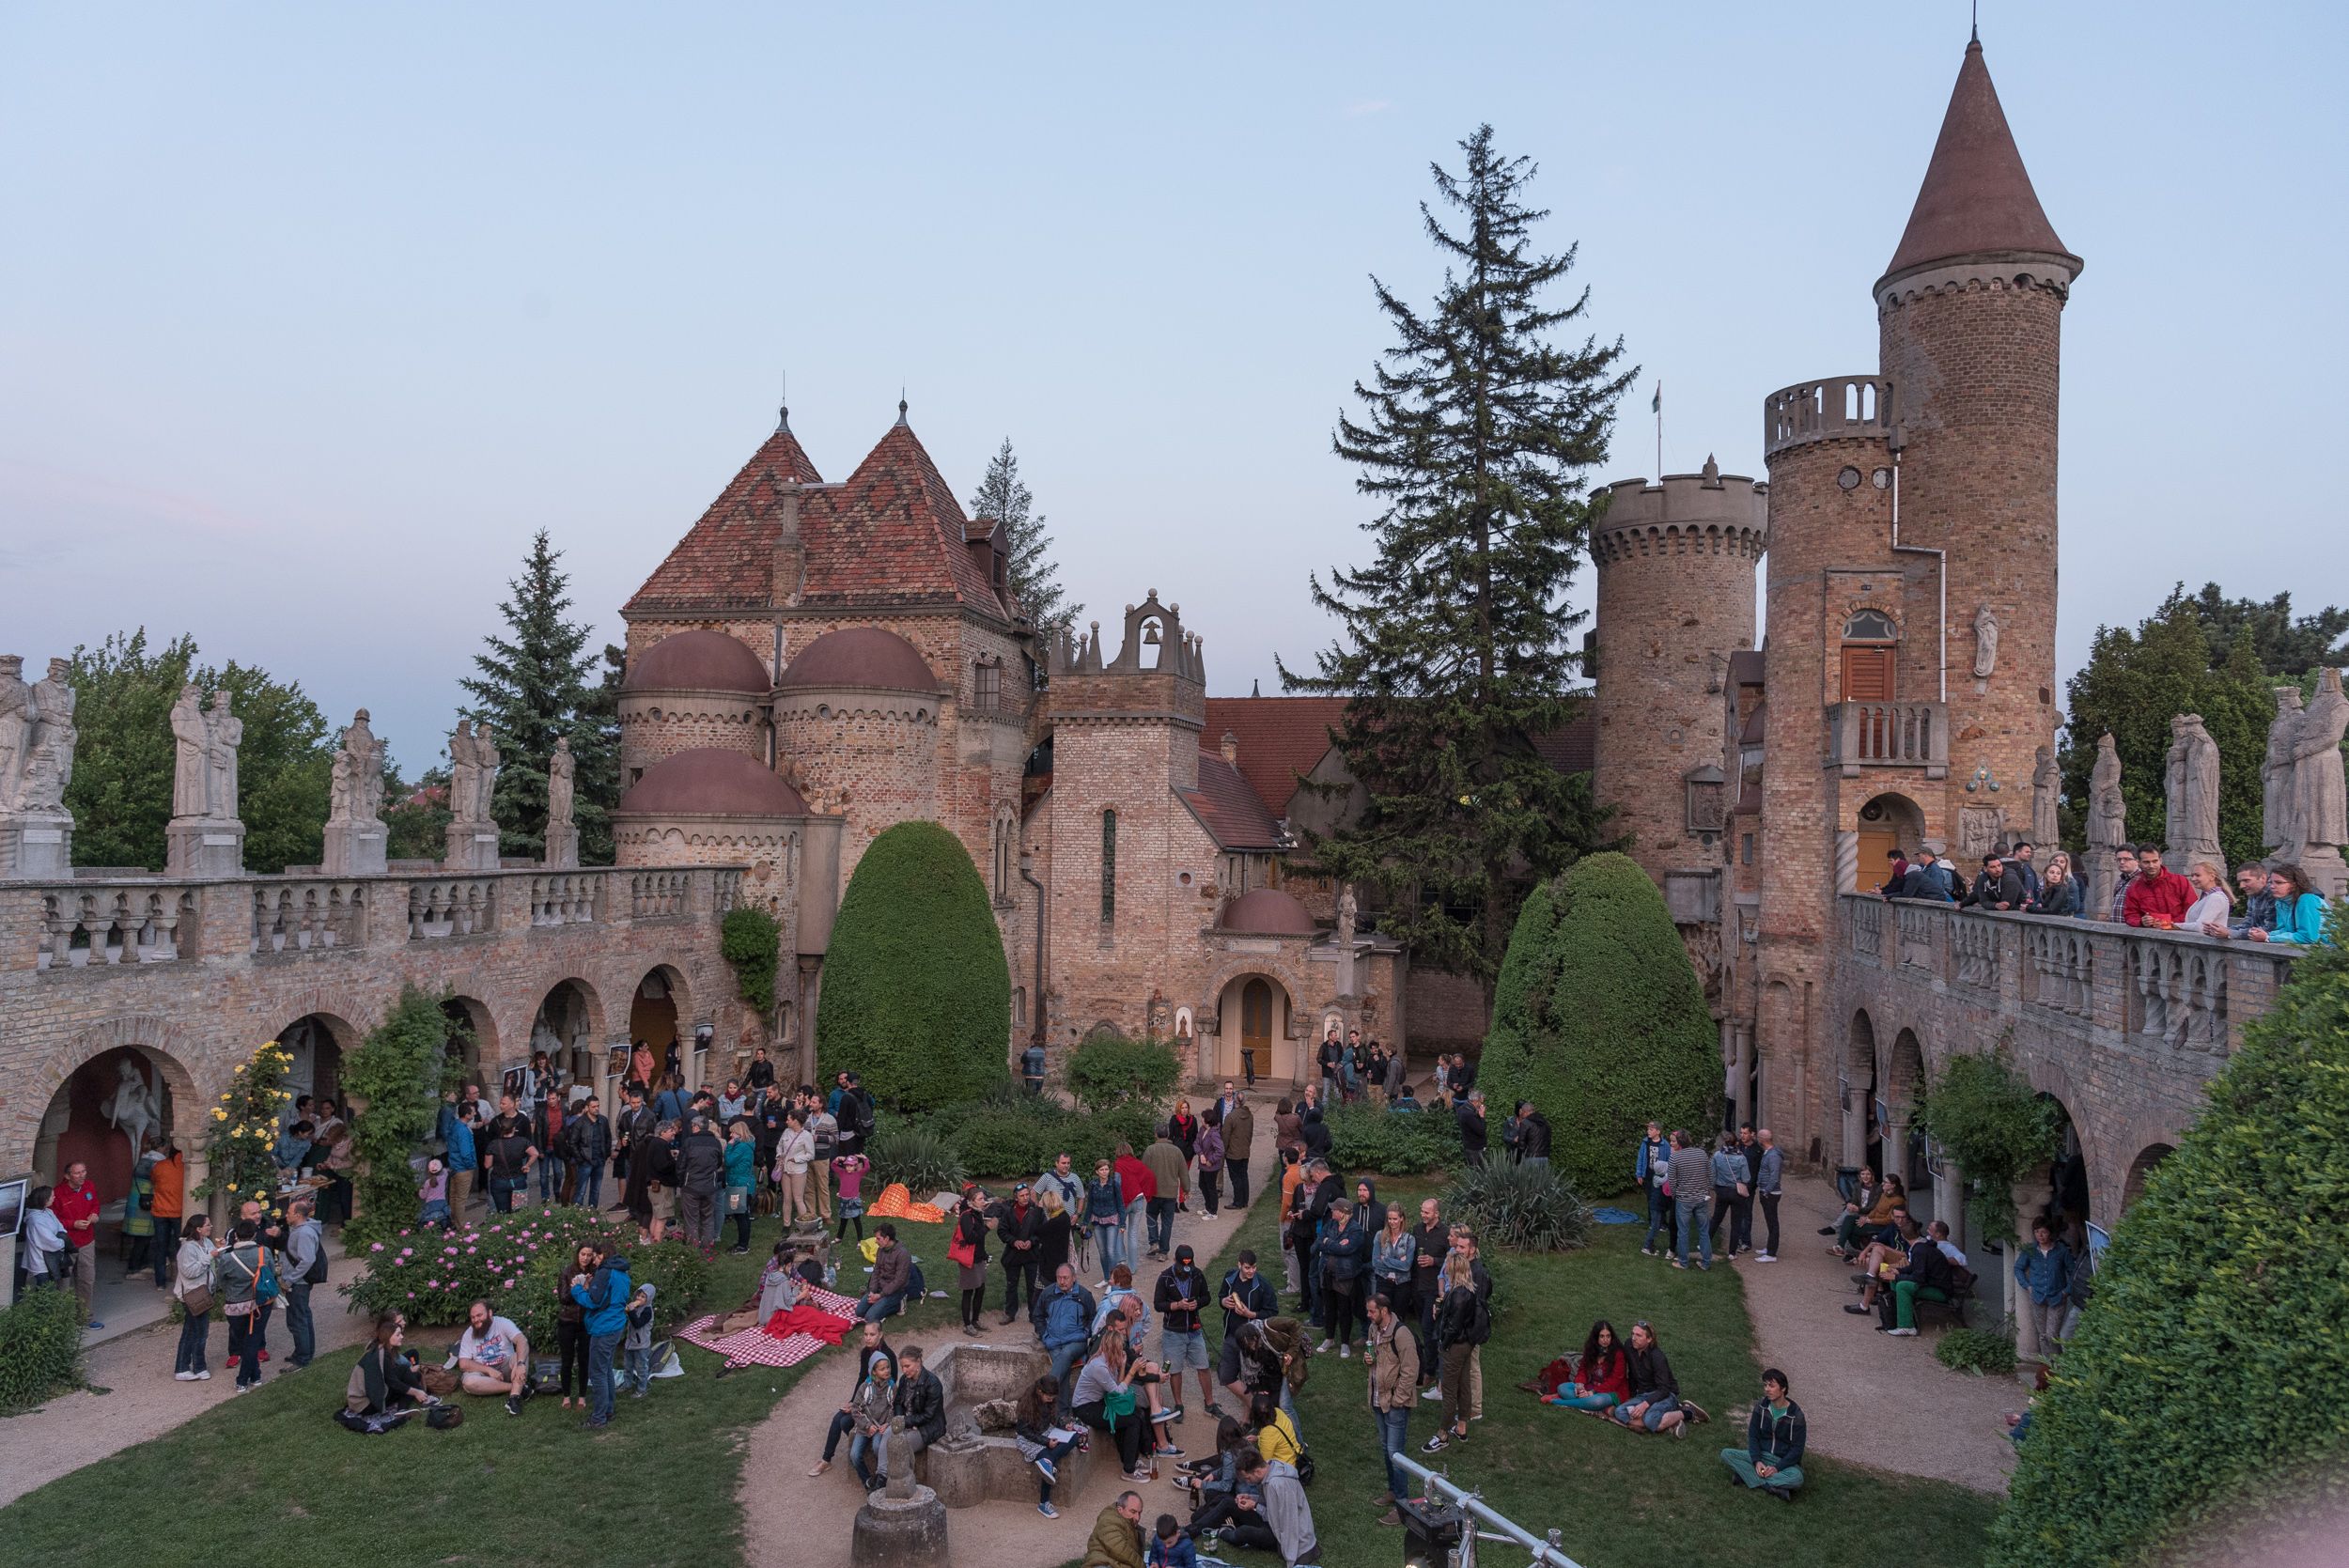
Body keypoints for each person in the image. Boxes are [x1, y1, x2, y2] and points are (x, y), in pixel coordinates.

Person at [810, 1320, 898, 1476]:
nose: (868, 1338)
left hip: (879, 1408)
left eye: (872, 1334)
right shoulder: (865, 1353)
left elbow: (892, 1383)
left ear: (880, 1335)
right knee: (839, 1419)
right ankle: (826, 1460)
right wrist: (853, 1402)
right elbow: (861, 1378)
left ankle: (864, 1445)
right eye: (865, 1334)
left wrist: (864, 1405)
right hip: (865, 1400)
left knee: (846, 1422)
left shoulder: (888, 1355)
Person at [1075, 1327, 1163, 1482]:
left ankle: (1132, 1459)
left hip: (1098, 1402)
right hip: (1085, 1408)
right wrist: (1132, 1371)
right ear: (1113, 1347)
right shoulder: (1099, 1366)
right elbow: (1117, 1392)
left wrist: (1122, 1366)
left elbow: (1117, 1383)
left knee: (1136, 1413)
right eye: (1120, 1347)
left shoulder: (1108, 1360)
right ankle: (1128, 1470)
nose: (1123, 1350)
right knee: (1132, 1421)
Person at [1364, 1291, 1419, 1521]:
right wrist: (1368, 1360)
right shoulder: (1374, 1330)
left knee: (1396, 1454)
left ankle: (1402, 1505)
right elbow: (1378, 1362)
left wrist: (1399, 1399)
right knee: (1387, 1448)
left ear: (1384, 1311)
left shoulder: (1402, 1333)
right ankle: (1393, 1491)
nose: (1369, 1315)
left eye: (1372, 1311)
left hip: (1395, 1402)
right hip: (1378, 1398)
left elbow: (1411, 1369)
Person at [1422, 1251, 1484, 1452]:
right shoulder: (1469, 1290)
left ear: (1453, 1269)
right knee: (1464, 1385)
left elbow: (1453, 1327)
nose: (1445, 1269)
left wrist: (1444, 1344)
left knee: (1449, 1391)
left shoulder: (1457, 1295)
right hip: (1466, 1344)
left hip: (1454, 1346)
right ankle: (1461, 1427)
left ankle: (1442, 1435)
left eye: (1448, 1266)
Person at [1722, 1369, 1806, 1498]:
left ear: (1783, 1388)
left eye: (1771, 1386)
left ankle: (1745, 1476)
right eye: (1765, 1385)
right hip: (1762, 1455)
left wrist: (1777, 1468)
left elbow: (1797, 1450)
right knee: (1727, 1454)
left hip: (1783, 1461)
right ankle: (1771, 1487)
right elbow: (1753, 1436)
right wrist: (1757, 1461)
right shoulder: (1761, 1406)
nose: (1767, 1389)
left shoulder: (1796, 1416)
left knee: (1797, 1478)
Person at [212, 1219, 273, 1391]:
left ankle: (245, 1378)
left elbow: (221, 1281)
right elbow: (270, 1273)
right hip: (261, 1302)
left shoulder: (227, 1258)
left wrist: (232, 1291)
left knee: (245, 1342)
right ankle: (251, 1376)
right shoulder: (264, 1252)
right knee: (252, 1341)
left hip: (235, 1304)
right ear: (254, 1234)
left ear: (236, 1236)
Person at [1156, 1243, 1216, 1417]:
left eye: (1189, 1266)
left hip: (1194, 1331)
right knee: (1175, 1370)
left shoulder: (1197, 1274)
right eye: (1183, 1266)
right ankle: (1178, 1405)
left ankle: (1210, 1404)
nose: (1186, 1270)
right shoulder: (1165, 1278)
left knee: (1204, 1366)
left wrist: (1198, 1303)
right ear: (1175, 1260)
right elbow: (1158, 1304)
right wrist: (1177, 1305)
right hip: (1173, 1332)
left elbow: (1207, 1297)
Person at [1238, 1445, 1320, 1566]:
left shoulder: (1276, 1484)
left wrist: (1255, 1506)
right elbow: (1275, 1506)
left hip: (1300, 1546)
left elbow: (1284, 1523)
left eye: (1248, 1478)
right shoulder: (1272, 1467)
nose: (1248, 1482)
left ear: (1258, 1472)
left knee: (1245, 1532)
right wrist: (1252, 1498)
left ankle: (1223, 1532)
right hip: (1302, 1539)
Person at [1215, 1249, 1279, 1403]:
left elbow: (1272, 1312)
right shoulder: (1230, 1277)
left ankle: (1251, 1411)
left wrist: (1251, 1314)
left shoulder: (1263, 1285)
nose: (1251, 1271)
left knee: (1251, 1380)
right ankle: (1253, 1404)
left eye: (1254, 1267)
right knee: (1225, 1376)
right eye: (1247, 1268)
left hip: (1252, 1342)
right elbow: (1221, 1296)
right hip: (1231, 1336)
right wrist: (1224, 1302)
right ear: (1239, 1265)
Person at [1015, 1372, 1081, 1519]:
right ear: (1040, 1391)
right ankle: (1044, 1503)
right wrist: (1046, 1442)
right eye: (1048, 1397)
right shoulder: (1027, 1403)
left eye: (1053, 1397)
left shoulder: (1050, 1401)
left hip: (1046, 1432)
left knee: (1074, 1437)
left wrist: (1064, 1425)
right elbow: (1023, 1430)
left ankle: (1048, 1463)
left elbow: (1054, 1418)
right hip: (1029, 1438)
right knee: (1047, 1456)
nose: (1051, 1400)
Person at [345, 1313, 433, 1420]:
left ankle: (407, 1407)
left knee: (410, 1374)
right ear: (388, 1336)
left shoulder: (382, 1348)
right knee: (406, 1383)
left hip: (369, 1397)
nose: (402, 1337)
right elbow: (393, 1383)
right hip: (365, 1405)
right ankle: (419, 1401)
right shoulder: (381, 1355)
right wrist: (416, 1392)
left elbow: (392, 1375)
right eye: (398, 1335)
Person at [1875, 1222, 1956, 1336]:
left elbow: (1919, 1278)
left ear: (1903, 1236)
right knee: (1895, 1281)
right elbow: (1914, 1267)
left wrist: (1896, 1276)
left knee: (1902, 1286)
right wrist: (1898, 1271)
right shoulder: (1922, 1246)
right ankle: (1895, 1317)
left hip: (1940, 1291)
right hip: (1932, 1284)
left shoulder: (1919, 1250)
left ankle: (1907, 1326)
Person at [1035, 1262, 1097, 1410]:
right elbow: (1038, 1316)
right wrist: (1045, 1336)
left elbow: (1093, 1319)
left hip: (1076, 1341)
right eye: (1059, 1278)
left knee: (1066, 1354)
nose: (1062, 1281)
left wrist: (1085, 1333)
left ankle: (1044, 1392)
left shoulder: (1084, 1295)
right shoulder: (1048, 1293)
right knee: (1063, 1364)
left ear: (1074, 1278)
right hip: (1053, 1341)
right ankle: (1062, 1413)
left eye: (1065, 1278)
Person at [456, 1296, 534, 1414]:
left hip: (507, 1367)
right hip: (485, 1374)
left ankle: (514, 1398)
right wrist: (489, 1370)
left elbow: (522, 1340)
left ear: (490, 1313)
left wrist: (521, 1364)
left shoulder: (503, 1323)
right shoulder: (468, 1334)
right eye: (473, 1317)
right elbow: (463, 1364)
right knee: (469, 1383)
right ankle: (518, 1388)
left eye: (479, 1315)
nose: (476, 1320)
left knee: (521, 1355)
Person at [1610, 1319, 1687, 1436]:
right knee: (1620, 1411)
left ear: (1649, 1339)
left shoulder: (1657, 1357)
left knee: (1650, 1420)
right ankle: (1667, 1421)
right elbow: (1632, 1373)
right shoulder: (1629, 1346)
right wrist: (1631, 1396)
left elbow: (1664, 1389)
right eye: (1632, 1334)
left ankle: (1687, 1412)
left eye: (1639, 1335)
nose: (1634, 1338)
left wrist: (1645, 1404)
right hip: (1643, 1394)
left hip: (1665, 1395)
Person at [1315, 1198, 1369, 1357]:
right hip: (1327, 1273)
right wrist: (1335, 1244)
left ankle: (1345, 1343)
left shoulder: (1355, 1230)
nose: (1332, 1211)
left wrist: (1329, 1243)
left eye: (1335, 1209)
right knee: (1329, 1308)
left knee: (1345, 1310)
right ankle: (1329, 1338)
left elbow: (1347, 1250)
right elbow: (1319, 1242)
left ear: (1343, 1212)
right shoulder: (1331, 1224)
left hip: (1345, 1277)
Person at [2014, 1218, 2076, 1356]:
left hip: (2057, 1297)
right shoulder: (2030, 1250)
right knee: (2042, 1335)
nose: (2040, 1236)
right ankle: (2048, 1363)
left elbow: (2073, 1272)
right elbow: (2018, 1268)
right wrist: (2027, 1286)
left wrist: (2066, 1291)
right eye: (2037, 1232)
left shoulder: (2061, 1251)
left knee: (2052, 1334)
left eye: (2044, 1232)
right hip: (2038, 1296)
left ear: (2050, 1233)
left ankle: (2057, 1363)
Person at [1543, 1318, 1630, 1414]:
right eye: (1602, 1336)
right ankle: (1598, 1406)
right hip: (1589, 1387)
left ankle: (1557, 1401)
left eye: (1608, 1336)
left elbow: (1615, 1381)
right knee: (1562, 1388)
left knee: (1597, 1401)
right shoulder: (1590, 1350)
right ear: (1596, 1337)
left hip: (1610, 1391)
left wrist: (1592, 1392)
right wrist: (1579, 1386)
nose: (1605, 1340)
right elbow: (1582, 1370)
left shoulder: (1618, 1353)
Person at [53, 1160, 101, 1327]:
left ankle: (85, 1318)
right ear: (67, 1176)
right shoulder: (58, 1193)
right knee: (64, 1284)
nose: (82, 1175)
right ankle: (63, 1322)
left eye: (84, 1171)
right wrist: (73, 1224)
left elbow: (95, 1204)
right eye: (77, 1173)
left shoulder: (89, 1186)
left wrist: (94, 1214)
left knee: (87, 1280)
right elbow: (53, 1220)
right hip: (67, 1243)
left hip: (87, 1241)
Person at [170, 1213, 216, 1380]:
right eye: (207, 1225)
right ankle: (198, 1367)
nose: (210, 1227)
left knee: (191, 1331)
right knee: (199, 1333)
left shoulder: (206, 1242)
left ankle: (182, 1367)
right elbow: (190, 1272)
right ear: (198, 1229)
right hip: (193, 1295)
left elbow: (211, 1255)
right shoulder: (188, 1248)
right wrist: (209, 1258)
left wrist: (218, 1249)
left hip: (204, 1292)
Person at [281, 1195, 324, 1372]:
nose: (286, 1215)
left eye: (289, 1212)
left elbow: (307, 1260)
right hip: (299, 1281)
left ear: (298, 1215)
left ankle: (302, 1358)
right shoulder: (302, 1229)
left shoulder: (304, 1233)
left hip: (299, 1283)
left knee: (298, 1320)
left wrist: (289, 1279)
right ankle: (303, 1352)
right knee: (303, 1316)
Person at [847, 1349, 898, 1492]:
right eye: (882, 1369)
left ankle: (881, 1478)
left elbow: (894, 1408)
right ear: (874, 1372)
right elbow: (855, 1409)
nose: (887, 1371)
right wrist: (867, 1425)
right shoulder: (865, 1388)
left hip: (881, 1427)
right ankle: (868, 1481)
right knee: (854, 1455)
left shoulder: (892, 1388)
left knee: (877, 1448)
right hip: (865, 1427)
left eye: (888, 1367)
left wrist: (887, 1423)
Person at [997, 1180, 1046, 1324]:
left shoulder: (1037, 1211)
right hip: (1013, 1254)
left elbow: (1042, 1230)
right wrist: (1014, 1241)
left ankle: (1034, 1314)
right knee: (1011, 1285)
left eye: (1027, 1195)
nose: (1025, 1198)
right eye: (1022, 1195)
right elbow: (1002, 1231)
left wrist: (1032, 1241)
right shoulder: (1008, 1211)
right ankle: (1010, 1313)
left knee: (1033, 1286)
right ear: (1016, 1197)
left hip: (1032, 1254)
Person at [481, 1094, 538, 1214]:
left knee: (504, 1208)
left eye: (503, 1103)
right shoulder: (496, 1121)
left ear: (512, 1104)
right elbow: (488, 1139)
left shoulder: (523, 1120)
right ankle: (497, 1213)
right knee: (518, 1207)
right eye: (500, 1103)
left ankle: (502, 1217)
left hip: (517, 1161)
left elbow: (529, 1137)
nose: (500, 1106)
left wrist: (525, 1161)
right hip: (500, 1163)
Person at [894, 1342, 948, 1468]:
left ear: (918, 1362)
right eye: (902, 1367)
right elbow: (898, 1403)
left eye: (907, 1366)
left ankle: (904, 1478)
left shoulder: (933, 1384)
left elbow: (928, 1415)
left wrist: (905, 1422)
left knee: (900, 1446)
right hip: (906, 1422)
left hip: (927, 1428)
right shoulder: (904, 1380)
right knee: (885, 1439)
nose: (904, 1370)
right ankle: (882, 1475)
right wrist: (899, 1418)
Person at [2254, 862, 2333, 944]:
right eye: (2271, 882)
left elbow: (2308, 937)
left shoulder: (2308, 900)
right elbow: (2286, 929)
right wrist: (2266, 934)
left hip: (2328, 948)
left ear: (2294, 884)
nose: (2272, 886)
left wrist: (2269, 938)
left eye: (2279, 883)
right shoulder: (2281, 902)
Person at [1668, 1129, 1713, 1270]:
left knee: (1683, 1232)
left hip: (1684, 1200)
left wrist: (1675, 1195)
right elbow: (1710, 1174)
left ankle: (1683, 1262)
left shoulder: (1675, 1158)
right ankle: (1706, 1262)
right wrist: (1707, 1190)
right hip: (1701, 1198)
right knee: (1704, 1231)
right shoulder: (1702, 1153)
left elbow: (1672, 1181)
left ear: (1679, 1142)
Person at [2123, 843, 2194, 927]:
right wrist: (2141, 921)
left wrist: (2169, 923)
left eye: (2155, 861)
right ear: (2139, 862)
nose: (2151, 866)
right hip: (2150, 934)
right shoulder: (2134, 888)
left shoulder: (2180, 881)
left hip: (2179, 932)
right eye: (2146, 862)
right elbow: (2130, 915)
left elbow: (2193, 910)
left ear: (2160, 860)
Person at [953, 1186, 991, 1333]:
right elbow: (970, 1238)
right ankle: (967, 1324)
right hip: (968, 1259)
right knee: (968, 1291)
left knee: (980, 1289)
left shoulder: (977, 1213)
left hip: (978, 1258)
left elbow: (979, 1239)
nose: (983, 1201)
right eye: (980, 1199)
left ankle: (975, 1320)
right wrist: (987, 1228)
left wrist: (984, 1254)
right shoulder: (967, 1216)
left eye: (983, 1198)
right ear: (972, 1201)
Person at [1143, 1131, 1189, 1256]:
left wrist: (1143, 1188)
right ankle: (1163, 1252)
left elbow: (1144, 1171)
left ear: (1155, 1134)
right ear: (1168, 1135)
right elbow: (1183, 1172)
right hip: (1170, 1193)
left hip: (1154, 1192)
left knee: (1151, 1216)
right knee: (1167, 1223)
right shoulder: (1176, 1151)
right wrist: (1186, 1189)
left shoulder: (1150, 1150)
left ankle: (1154, 1243)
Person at [148, 1141, 186, 1291]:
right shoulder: (185, 1166)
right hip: (178, 1211)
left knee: (160, 1247)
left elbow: (153, 1180)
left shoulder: (160, 1166)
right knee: (182, 1246)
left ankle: (160, 1283)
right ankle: (181, 1280)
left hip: (160, 1210)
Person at [1209, 1081, 1254, 1206]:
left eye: (1231, 1089)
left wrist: (1224, 1148)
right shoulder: (1249, 1115)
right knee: (1243, 1175)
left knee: (1236, 1177)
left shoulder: (1231, 1117)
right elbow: (1250, 1133)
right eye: (1227, 1088)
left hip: (1232, 1148)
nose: (1228, 1091)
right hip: (1243, 1148)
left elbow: (1226, 1135)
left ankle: (1238, 1202)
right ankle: (1244, 1200)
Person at [1634, 1121, 1672, 1256]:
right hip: (1649, 1176)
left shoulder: (1665, 1145)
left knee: (1662, 1198)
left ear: (1658, 1131)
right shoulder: (1645, 1143)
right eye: (1648, 1129)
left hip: (1661, 1176)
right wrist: (1639, 1173)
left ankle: (1662, 1222)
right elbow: (1640, 1158)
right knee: (1651, 1199)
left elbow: (1669, 1160)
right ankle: (1653, 1222)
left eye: (1651, 1129)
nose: (1648, 1131)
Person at [1085, 1157, 1128, 1281]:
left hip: (1112, 1220)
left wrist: (1122, 1223)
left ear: (1109, 1170)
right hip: (1097, 1220)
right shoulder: (1093, 1185)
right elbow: (1090, 1204)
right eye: (1102, 1170)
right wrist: (1085, 1222)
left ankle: (1114, 1280)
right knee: (1102, 1252)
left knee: (1110, 1251)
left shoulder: (1114, 1184)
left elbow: (1120, 1204)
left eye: (1106, 1169)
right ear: (1097, 1171)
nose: (1104, 1172)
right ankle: (1106, 1278)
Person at [566, 1095, 612, 1209]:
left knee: (596, 1189)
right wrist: (580, 1158)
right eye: (593, 1106)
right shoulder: (580, 1122)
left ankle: (592, 1212)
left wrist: (606, 1154)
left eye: (598, 1106)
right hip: (585, 1161)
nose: (597, 1108)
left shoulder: (603, 1120)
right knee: (580, 1190)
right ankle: (576, 1213)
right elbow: (572, 1142)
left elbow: (608, 1138)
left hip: (599, 1160)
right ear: (587, 1108)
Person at [1083, 1491, 1148, 1568]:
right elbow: (1121, 1550)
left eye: (1139, 1513)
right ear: (1120, 1509)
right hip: (1102, 1563)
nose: (1137, 1517)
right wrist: (1142, 1565)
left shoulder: (1127, 1522)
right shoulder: (1108, 1521)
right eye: (1133, 1511)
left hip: (1115, 1562)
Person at [1750, 1127, 1783, 1261]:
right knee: (1770, 1222)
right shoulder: (1768, 1153)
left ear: (1762, 1140)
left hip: (1771, 1193)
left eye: (1758, 1137)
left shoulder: (1773, 1156)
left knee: (1773, 1222)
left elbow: (1774, 1176)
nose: (1757, 1140)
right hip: (1767, 1191)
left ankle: (1771, 1254)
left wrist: (1766, 1191)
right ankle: (1769, 1247)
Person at [2182, 859, 2235, 938]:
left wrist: (2174, 925)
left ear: (2212, 877)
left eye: (2197, 875)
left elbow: (2201, 926)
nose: (2193, 879)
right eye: (2192, 875)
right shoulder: (2206, 897)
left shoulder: (2216, 898)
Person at [832, 1146, 871, 1243]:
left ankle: (860, 1241)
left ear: (855, 1166)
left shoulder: (858, 1174)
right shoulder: (842, 1173)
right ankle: (839, 1238)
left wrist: (865, 1158)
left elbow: (867, 1168)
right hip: (844, 1201)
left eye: (851, 1165)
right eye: (847, 1165)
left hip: (853, 1201)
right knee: (843, 1221)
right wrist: (837, 1159)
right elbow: (833, 1166)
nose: (849, 1167)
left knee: (857, 1221)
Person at [2231, 862, 2279, 939]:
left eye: (2246, 880)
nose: (2241, 886)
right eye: (2240, 882)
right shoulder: (2253, 894)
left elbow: (2270, 928)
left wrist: (2231, 933)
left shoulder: (2274, 895)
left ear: (2263, 878)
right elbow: (2248, 924)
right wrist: (2227, 930)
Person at [2031, 852, 2084, 918]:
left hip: (2062, 917)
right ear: (2050, 862)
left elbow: (2074, 905)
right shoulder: (2044, 879)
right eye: (2055, 861)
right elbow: (2040, 898)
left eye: (2062, 862)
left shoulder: (2070, 882)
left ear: (2066, 865)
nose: (2058, 863)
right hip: (2044, 915)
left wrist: (2058, 908)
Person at [1194, 1117, 1225, 1218]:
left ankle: (1213, 1212)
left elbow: (1220, 1150)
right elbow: (1196, 1143)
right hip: (1203, 1165)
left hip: (1211, 1167)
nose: (1201, 1119)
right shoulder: (1202, 1129)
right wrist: (1201, 1154)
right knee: (1202, 1185)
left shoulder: (1214, 1133)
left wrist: (1211, 1160)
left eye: (1203, 1117)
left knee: (1211, 1188)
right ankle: (1208, 1207)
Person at [1455, 1090, 1488, 1168]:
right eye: (1481, 1102)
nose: (1481, 1105)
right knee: (1478, 1170)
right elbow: (1481, 1130)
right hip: (1475, 1148)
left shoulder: (1462, 1108)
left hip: (1469, 1145)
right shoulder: (1469, 1114)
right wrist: (1482, 1116)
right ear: (1476, 1101)